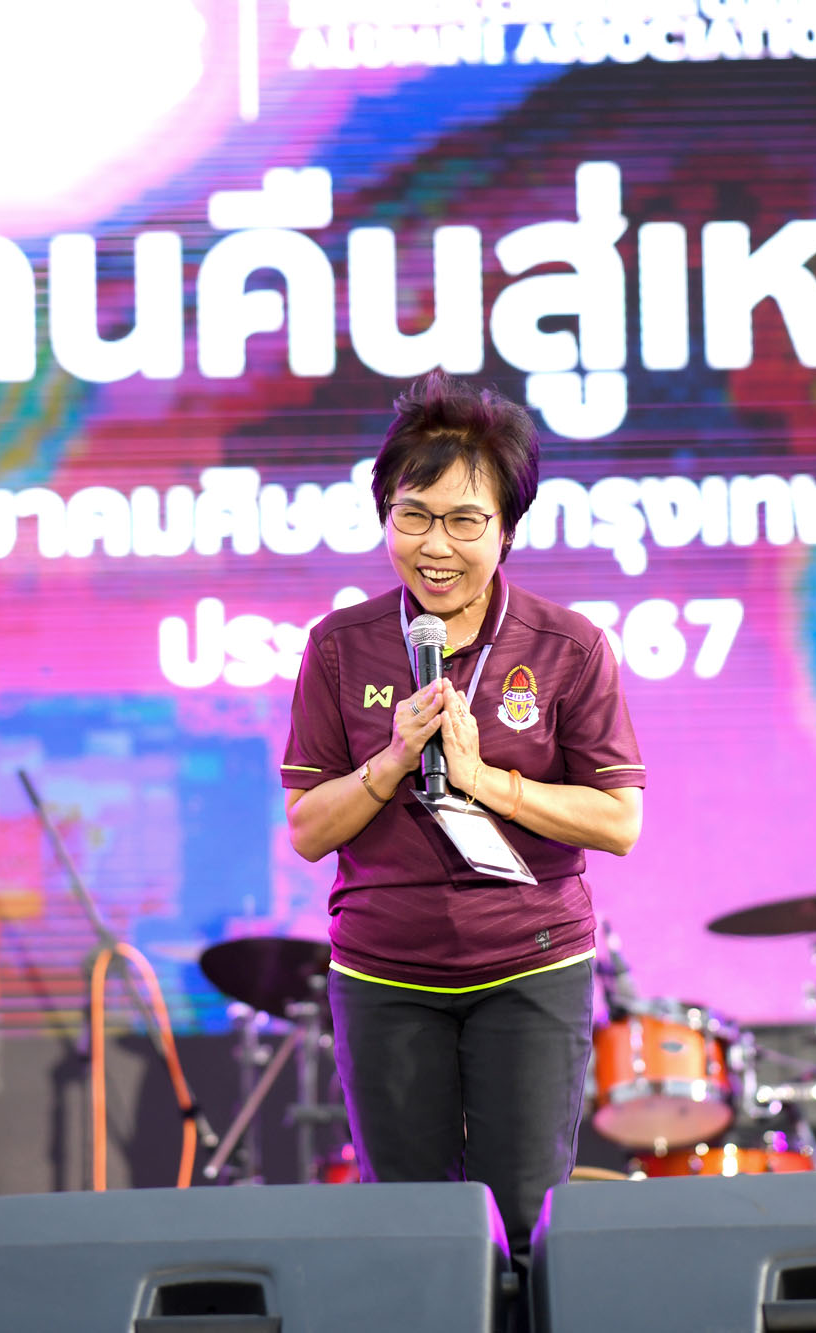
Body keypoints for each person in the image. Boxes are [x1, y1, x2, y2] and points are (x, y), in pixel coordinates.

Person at [279, 370, 646, 1280]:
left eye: (463, 521)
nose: (434, 546)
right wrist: (390, 761)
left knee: (526, 1228)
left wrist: (488, 783)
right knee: (412, 1238)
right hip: (384, 971)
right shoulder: (340, 645)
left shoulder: (569, 647)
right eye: (412, 516)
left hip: (531, 966)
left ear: (507, 529)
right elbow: (309, 829)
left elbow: (619, 820)